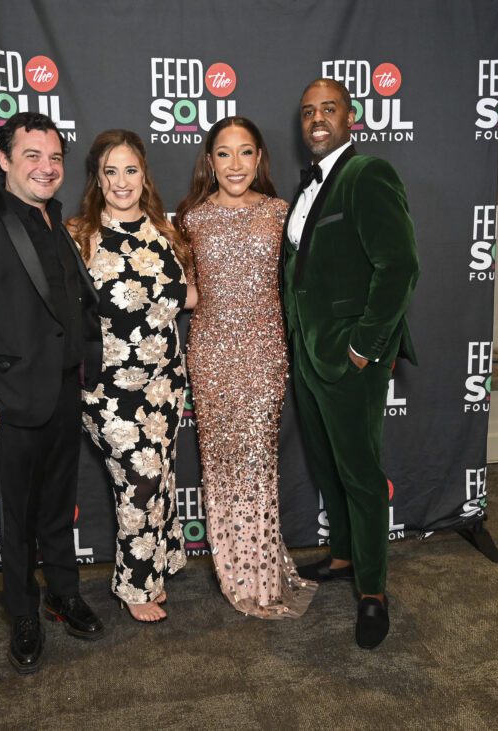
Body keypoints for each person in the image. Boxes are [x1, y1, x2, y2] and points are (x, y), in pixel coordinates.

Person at [0, 112, 104, 674]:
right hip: (10, 400)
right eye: (32, 155)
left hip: (64, 391)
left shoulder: (62, 226)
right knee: (20, 517)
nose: (46, 167)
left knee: (58, 506)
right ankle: (23, 611)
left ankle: (63, 593)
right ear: (4, 160)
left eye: (54, 157)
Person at [283, 79, 420, 648]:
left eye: (328, 109)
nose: (317, 119)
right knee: (329, 468)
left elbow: (399, 267)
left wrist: (365, 346)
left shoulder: (368, 176)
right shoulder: (309, 186)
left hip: (349, 360)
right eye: (309, 111)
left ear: (350, 117)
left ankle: (373, 591)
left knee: (361, 477)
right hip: (308, 357)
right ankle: (342, 558)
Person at [175, 116, 317, 619]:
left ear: (260, 159)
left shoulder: (283, 213)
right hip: (211, 354)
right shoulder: (190, 219)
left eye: (245, 153)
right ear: (208, 162)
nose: (235, 164)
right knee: (220, 465)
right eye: (223, 153)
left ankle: (260, 574)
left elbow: (302, 284)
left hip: (263, 353)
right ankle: (235, 572)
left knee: (257, 463)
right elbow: (188, 290)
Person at [67, 130, 195, 623]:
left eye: (131, 170)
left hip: (164, 380)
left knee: (161, 475)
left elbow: (191, 296)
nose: (122, 182)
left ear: (145, 174)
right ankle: (134, 585)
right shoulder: (80, 234)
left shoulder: (164, 229)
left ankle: (157, 565)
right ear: (97, 179)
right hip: (109, 387)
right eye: (111, 172)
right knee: (139, 479)